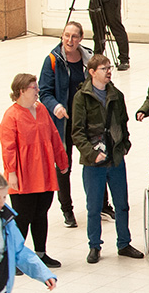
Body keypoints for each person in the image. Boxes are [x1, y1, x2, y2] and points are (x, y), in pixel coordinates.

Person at [70, 55, 145, 263]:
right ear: (92, 72)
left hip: (116, 158)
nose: (108, 71)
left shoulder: (117, 95)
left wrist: (125, 144)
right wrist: (92, 154)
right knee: (93, 207)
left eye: (109, 67)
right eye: (104, 68)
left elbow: (123, 123)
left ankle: (124, 243)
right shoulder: (81, 98)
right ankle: (94, 245)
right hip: (93, 162)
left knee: (122, 204)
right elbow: (77, 132)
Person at [40, 21, 111, 228]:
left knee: (96, 159)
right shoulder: (53, 60)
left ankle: (102, 204)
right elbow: (45, 91)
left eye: (74, 36)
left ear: (81, 38)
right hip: (63, 123)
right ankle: (67, 209)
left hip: (87, 121)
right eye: (66, 36)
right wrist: (56, 107)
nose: (69, 40)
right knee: (64, 165)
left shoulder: (88, 57)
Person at [0, 73, 69, 269]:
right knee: (22, 218)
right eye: (34, 88)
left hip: (44, 172)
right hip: (24, 175)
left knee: (41, 213)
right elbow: (8, 147)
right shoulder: (11, 115)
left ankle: (41, 253)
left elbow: (54, 136)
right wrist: (11, 172)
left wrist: (62, 161)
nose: (38, 91)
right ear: (21, 91)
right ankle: (15, 258)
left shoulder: (42, 110)